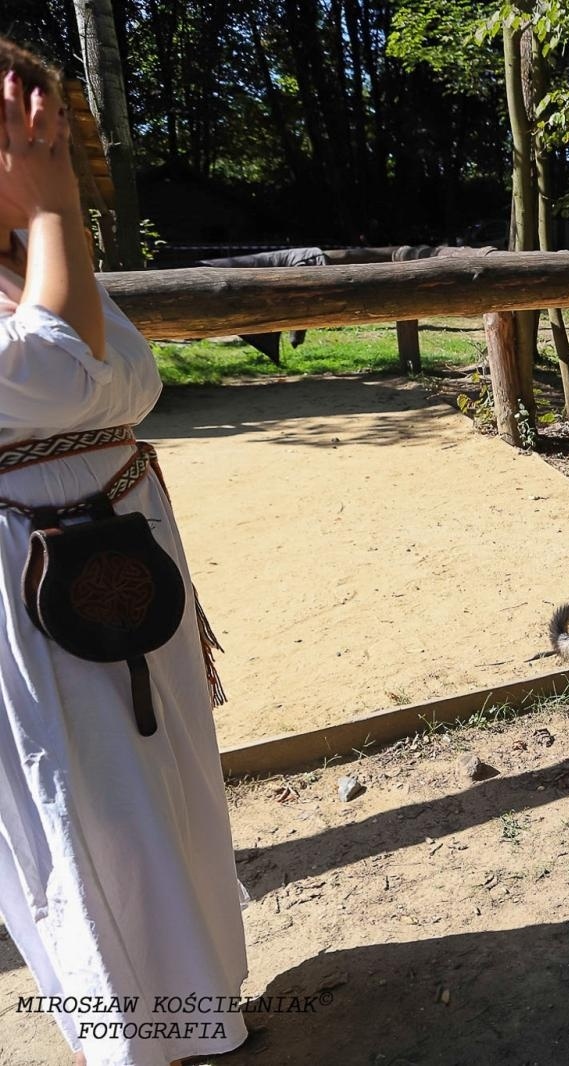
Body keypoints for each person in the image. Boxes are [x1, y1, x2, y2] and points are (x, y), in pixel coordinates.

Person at [0, 41, 248, 1066]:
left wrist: (47, 217)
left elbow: (118, 376)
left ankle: (201, 1012)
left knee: (167, 781)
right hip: (27, 585)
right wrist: (55, 199)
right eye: (21, 126)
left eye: (42, 122)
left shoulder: (28, 263)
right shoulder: (45, 248)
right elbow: (58, 375)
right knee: (86, 804)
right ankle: (134, 1045)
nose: (40, 135)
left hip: (128, 554)